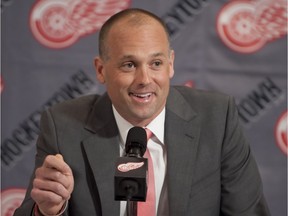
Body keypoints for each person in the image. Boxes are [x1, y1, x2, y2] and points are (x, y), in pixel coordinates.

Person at [14, 8, 270, 216]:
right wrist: (49, 211)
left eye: (156, 63)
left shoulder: (217, 118)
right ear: (101, 70)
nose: (145, 79)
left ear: (170, 65)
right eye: (129, 65)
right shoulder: (63, 125)